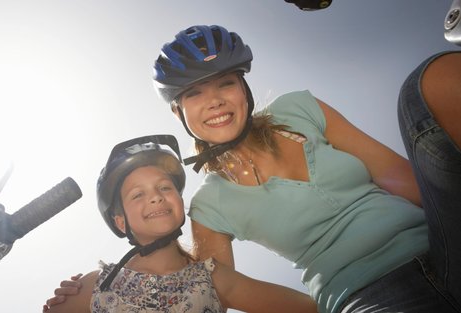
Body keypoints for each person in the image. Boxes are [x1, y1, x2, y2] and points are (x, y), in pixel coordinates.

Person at [46, 25, 461, 313]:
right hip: (365, 292)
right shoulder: (210, 204)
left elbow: (398, 176)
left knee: (428, 83)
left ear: (243, 88)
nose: (215, 100)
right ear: (179, 112)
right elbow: (205, 290)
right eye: (195, 92)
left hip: (441, 239)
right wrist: (100, 288)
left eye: (225, 83)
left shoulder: (298, 108)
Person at [43, 134, 316, 313]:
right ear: (120, 222)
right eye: (138, 194)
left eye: (164, 187)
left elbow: (316, 308)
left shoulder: (212, 278)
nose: (155, 198)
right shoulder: (94, 287)